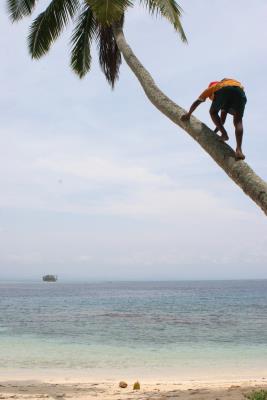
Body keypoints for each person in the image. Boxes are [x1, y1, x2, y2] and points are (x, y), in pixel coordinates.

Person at [181, 78, 247, 160]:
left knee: (212, 112)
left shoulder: (213, 87)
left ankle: (225, 135)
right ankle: (239, 150)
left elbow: (197, 102)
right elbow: (222, 120)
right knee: (238, 122)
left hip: (225, 89)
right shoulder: (229, 88)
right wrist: (215, 132)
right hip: (240, 93)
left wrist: (188, 114)